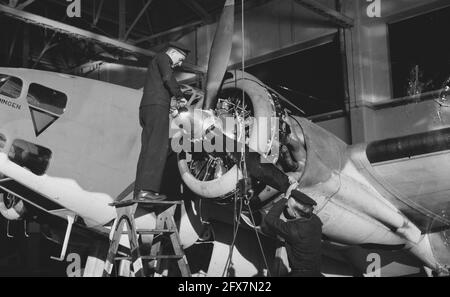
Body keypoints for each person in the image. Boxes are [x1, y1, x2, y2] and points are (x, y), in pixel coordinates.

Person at [134, 42, 190, 201]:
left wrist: (171, 106)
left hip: (147, 108)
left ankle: (139, 191)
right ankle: (148, 190)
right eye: (180, 59)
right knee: (158, 147)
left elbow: (160, 85)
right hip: (157, 107)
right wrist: (180, 97)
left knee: (146, 149)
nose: (180, 64)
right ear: (172, 52)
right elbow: (168, 77)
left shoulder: (155, 63)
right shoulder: (163, 58)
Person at [264, 189, 323, 277]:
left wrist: (285, 198)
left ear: (295, 213)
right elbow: (301, 210)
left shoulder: (293, 230)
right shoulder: (316, 221)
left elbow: (270, 219)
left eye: (287, 207)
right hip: (315, 273)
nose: (286, 207)